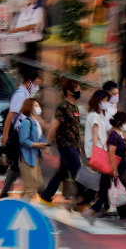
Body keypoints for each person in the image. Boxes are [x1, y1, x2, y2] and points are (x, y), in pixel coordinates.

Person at [39, 79, 85, 208]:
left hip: (73, 146)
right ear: (69, 91)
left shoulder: (75, 107)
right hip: (66, 145)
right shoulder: (63, 107)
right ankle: (84, 199)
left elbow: (75, 129)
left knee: (62, 173)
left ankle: (46, 196)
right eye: (77, 89)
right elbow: (53, 127)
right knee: (78, 171)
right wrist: (47, 144)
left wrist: (78, 146)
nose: (79, 91)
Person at [86, 112, 126, 222]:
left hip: (117, 166)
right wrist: (114, 169)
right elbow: (111, 153)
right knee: (123, 190)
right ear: (119, 122)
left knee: (106, 192)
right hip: (115, 166)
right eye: (125, 122)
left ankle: (92, 211)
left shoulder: (120, 134)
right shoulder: (114, 134)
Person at [0, 70, 41, 198]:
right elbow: (11, 115)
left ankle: (7, 193)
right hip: (20, 134)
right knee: (22, 164)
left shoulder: (26, 94)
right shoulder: (20, 95)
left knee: (17, 166)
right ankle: (32, 192)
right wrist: (5, 135)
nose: (37, 87)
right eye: (36, 83)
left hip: (25, 133)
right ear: (29, 82)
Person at [17, 98, 48, 201]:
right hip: (26, 157)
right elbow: (23, 140)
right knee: (31, 186)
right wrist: (37, 145)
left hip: (34, 157)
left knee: (36, 184)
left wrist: (45, 146)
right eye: (35, 105)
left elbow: (41, 138)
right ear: (29, 108)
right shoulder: (26, 122)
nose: (38, 108)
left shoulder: (36, 122)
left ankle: (21, 205)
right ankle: (24, 208)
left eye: (38, 105)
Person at [85, 89, 111, 161]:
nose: (107, 103)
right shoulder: (94, 116)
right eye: (105, 100)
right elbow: (95, 137)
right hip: (97, 152)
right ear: (99, 101)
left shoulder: (99, 115)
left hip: (99, 151)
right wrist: (95, 155)